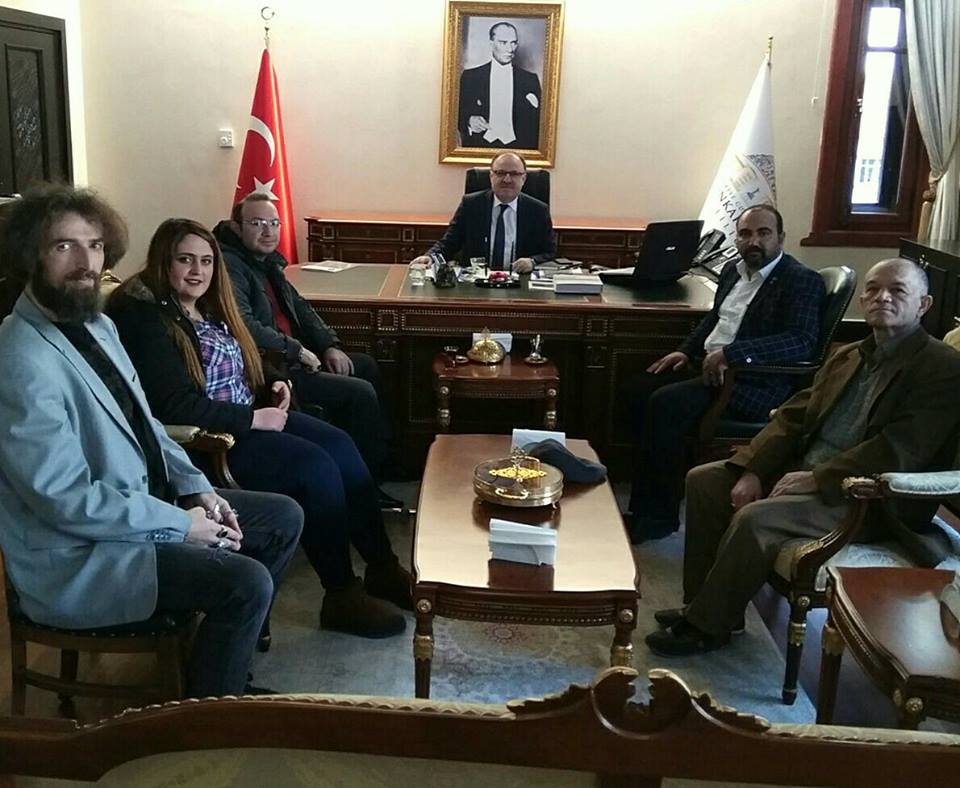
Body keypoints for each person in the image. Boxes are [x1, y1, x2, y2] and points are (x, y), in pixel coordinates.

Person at [0, 184, 304, 698]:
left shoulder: (96, 324)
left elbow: (147, 425)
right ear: (30, 254)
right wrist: (180, 524)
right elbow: (65, 500)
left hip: (138, 508)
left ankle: (216, 672)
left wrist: (196, 488)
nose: (86, 263)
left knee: (282, 518)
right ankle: (208, 712)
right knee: (245, 583)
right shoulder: (20, 358)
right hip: (84, 555)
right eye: (64, 246)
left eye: (95, 245)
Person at [108, 218, 412, 639]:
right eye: (185, 260)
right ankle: (341, 592)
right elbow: (173, 405)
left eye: (206, 261)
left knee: (342, 446)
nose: (197, 271)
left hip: (249, 414)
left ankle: (382, 567)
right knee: (317, 469)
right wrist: (254, 419)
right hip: (212, 441)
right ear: (163, 262)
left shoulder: (208, 304)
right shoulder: (147, 318)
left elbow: (242, 354)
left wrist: (274, 381)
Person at [646, 257, 960, 656]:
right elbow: (795, 415)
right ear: (862, 300)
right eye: (873, 289)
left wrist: (816, 478)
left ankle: (707, 627)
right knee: (705, 481)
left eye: (897, 290)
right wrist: (753, 468)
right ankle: (704, 606)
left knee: (755, 518)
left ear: (923, 304)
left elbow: (901, 449)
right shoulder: (849, 355)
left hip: (868, 496)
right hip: (809, 471)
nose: (882, 297)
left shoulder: (941, 367)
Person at [625, 205, 826, 542]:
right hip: (709, 368)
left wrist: (733, 354)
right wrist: (685, 350)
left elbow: (801, 341)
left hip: (751, 382)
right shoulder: (734, 270)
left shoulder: (801, 279)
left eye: (763, 233)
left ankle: (658, 519)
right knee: (635, 390)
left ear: (780, 238)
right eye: (745, 234)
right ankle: (641, 503)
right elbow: (714, 319)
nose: (754, 241)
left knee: (666, 404)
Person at [213, 193, 400, 508]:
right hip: (273, 368)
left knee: (365, 365)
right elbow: (244, 325)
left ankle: (382, 464)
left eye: (274, 223)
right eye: (257, 223)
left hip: (293, 356)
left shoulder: (267, 262)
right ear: (236, 227)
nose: (268, 231)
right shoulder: (231, 265)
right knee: (360, 392)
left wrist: (328, 345)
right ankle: (366, 486)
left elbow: (300, 306)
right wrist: (297, 350)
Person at [411, 152, 554, 275]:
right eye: (500, 173)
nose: (507, 179)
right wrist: (430, 256)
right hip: (476, 281)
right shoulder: (471, 205)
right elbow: (449, 242)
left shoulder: (538, 210)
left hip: (520, 283)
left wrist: (532, 261)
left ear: (524, 178)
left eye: (514, 174)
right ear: (491, 176)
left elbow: (550, 252)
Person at [458, 21, 541, 150]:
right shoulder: (470, 77)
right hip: (479, 147)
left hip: (520, 149)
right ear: (491, 43)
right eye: (503, 43)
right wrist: (469, 121)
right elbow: (455, 114)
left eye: (513, 43)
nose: (510, 49)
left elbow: (541, 122)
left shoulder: (530, 80)